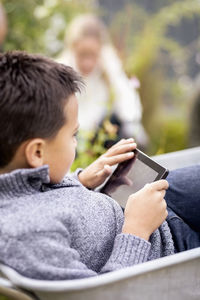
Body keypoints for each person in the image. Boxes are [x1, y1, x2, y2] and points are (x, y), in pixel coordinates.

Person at [0, 51, 199, 281]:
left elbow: (40, 198)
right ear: (36, 152)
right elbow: (100, 293)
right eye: (73, 134)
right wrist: (137, 231)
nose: (75, 141)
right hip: (170, 251)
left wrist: (80, 181)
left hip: (145, 207)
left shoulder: (15, 179)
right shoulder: (26, 238)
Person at [57, 14, 148, 151]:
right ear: (73, 48)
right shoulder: (62, 68)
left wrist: (133, 125)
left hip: (100, 131)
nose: (87, 63)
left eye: (92, 55)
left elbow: (124, 95)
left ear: (100, 50)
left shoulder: (108, 62)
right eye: (82, 54)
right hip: (73, 134)